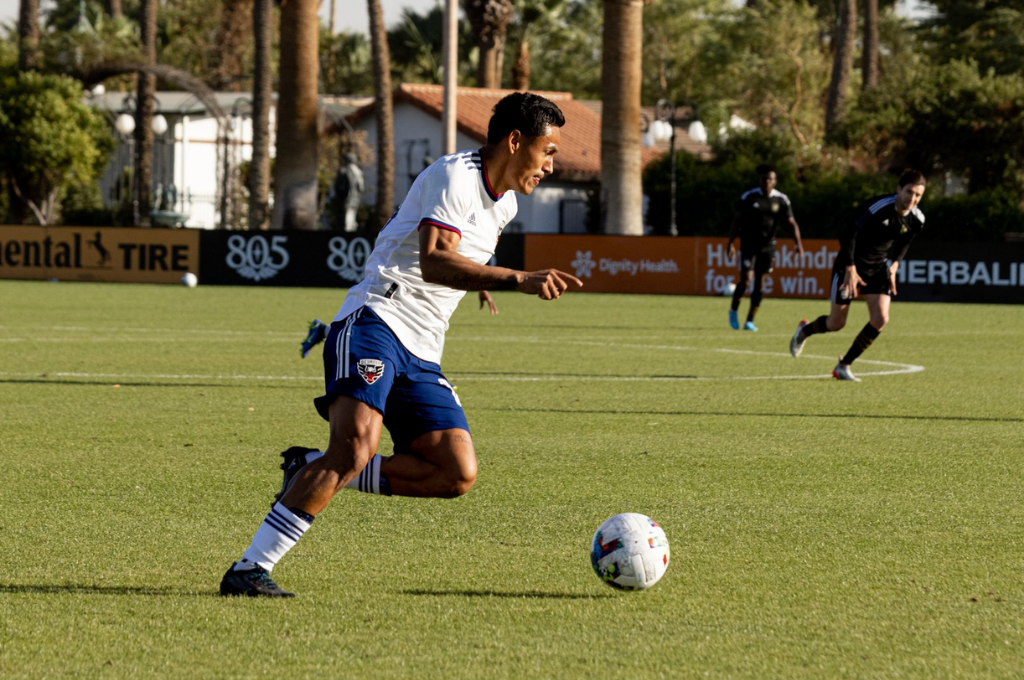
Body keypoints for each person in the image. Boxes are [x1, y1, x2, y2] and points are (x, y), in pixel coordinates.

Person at [221, 92, 582, 597]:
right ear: (516, 140)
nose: (551, 164)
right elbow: (434, 260)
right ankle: (248, 568)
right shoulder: (455, 175)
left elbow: (444, 245)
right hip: (376, 320)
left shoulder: (506, 204)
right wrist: (513, 278)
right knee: (355, 447)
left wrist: (478, 280)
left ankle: (308, 469)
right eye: (548, 151)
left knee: (455, 474)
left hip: (423, 349)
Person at [788, 168, 927, 381]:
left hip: (878, 268)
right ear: (898, 189)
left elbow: (905, 241)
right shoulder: (878, 207)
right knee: (836, 323)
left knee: (881, 318)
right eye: (909, 192)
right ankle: (804, 331)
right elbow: (847, 233)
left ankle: (844, 366)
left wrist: (895, 265)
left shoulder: (917, 219)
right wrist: (850, 269)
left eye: (918, 195)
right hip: (849, 265)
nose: (912, 198)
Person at [726, 164, 804, 332]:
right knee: (745, 280)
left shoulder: (781, 199)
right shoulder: (749, 197)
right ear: (760, 180)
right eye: (764, 178)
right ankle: (733, 310)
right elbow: (737, 221)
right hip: (748, 244)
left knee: (760, 285)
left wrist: (798, 243)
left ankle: (749, 321)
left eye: (770, 179)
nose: (767, 182)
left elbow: (791, 223)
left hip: (768, 247)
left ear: (775, 181)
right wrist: (730, 243)